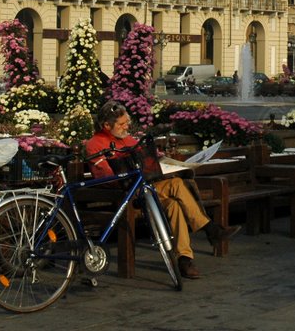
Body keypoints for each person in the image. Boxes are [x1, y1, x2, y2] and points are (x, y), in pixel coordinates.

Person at [85, 101, 240, 279]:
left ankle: (184, 258)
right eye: (122, 124)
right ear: (106, 125)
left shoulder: (127, 139)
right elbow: (106, 176)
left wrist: (166, 164)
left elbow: (149, 159)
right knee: (176, 185)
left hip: (145, 190)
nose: (127, 126)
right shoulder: (95, 144)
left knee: (174, 203)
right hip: (123, 196)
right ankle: (210, 229)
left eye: (127, 122)